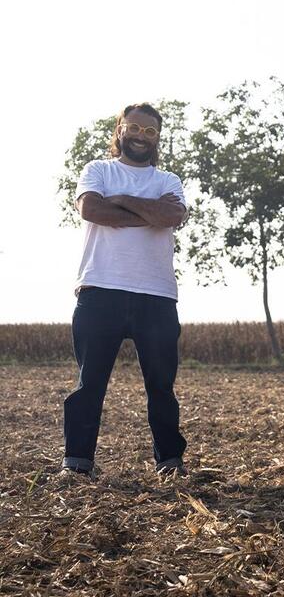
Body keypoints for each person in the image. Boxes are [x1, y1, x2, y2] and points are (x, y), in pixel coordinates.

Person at [61, 103, 189, 479]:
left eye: (149, 131)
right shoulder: (98, 170)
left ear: (158, 138)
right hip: (100, 288)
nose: (140, 136)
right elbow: (91, 210)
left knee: (161, 386)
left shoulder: (169, 180)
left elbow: (172, 217)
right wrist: (147, 215)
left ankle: (170, 461)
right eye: (134, 128)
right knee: (90, 383)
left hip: (157, 294)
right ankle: (77, 462)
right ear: (120, 130)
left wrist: (119, 200)